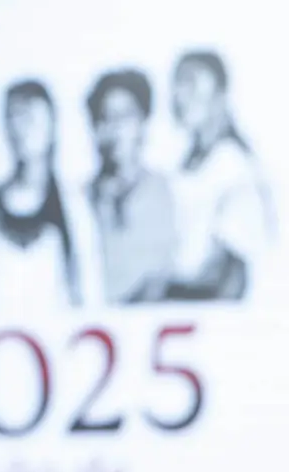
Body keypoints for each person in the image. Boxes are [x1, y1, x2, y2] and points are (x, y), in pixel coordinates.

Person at [0, 79, 101, 311]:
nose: (22, 128)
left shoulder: (73, 204)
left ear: (52, 124)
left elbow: (89, 289)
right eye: (14, 116)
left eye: (30, 117)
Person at [166, 49, 274, 301]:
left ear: (220, 95)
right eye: (177, 84)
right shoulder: (187, 166)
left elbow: (233, 272)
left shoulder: (233, 165)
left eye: (191, 84)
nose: (180, 96)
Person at [85, 67, 178, 305]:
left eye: (125, 116)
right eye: (106, 117)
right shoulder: (81, 200)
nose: (115, 128)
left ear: (143, 123)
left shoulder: (168, 191)